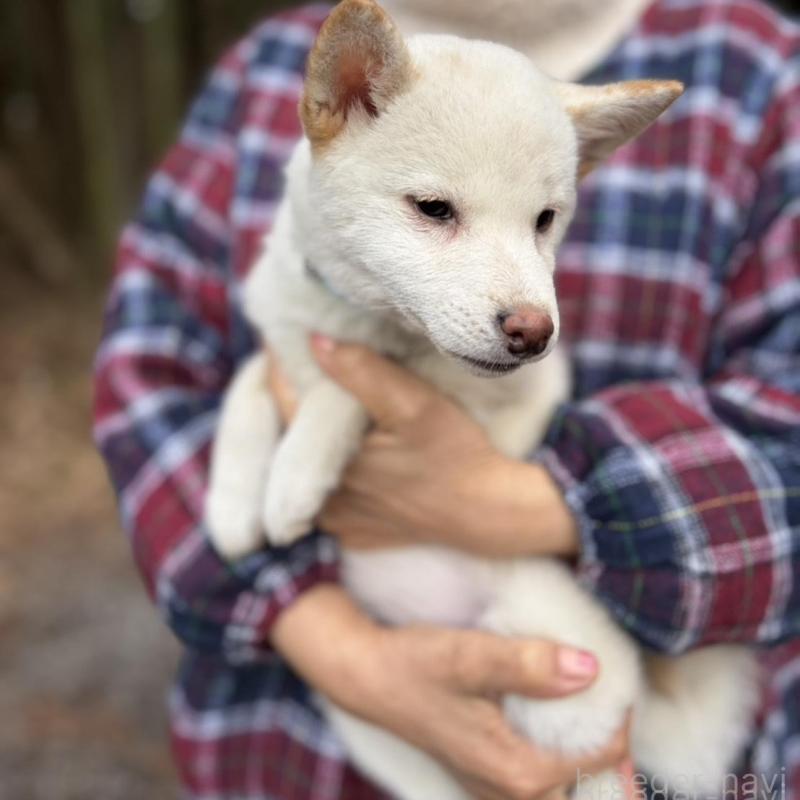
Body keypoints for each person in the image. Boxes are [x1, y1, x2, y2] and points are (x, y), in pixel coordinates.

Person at [92, 0, 800, 797]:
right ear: (348, 95)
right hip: (286, 752)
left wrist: (513, 503)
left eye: (543, 221)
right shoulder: (262, 71)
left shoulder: (761, 79)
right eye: (436, 209)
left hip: (651, 744)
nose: (527, 307)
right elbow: (146, 373)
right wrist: (338, 648)